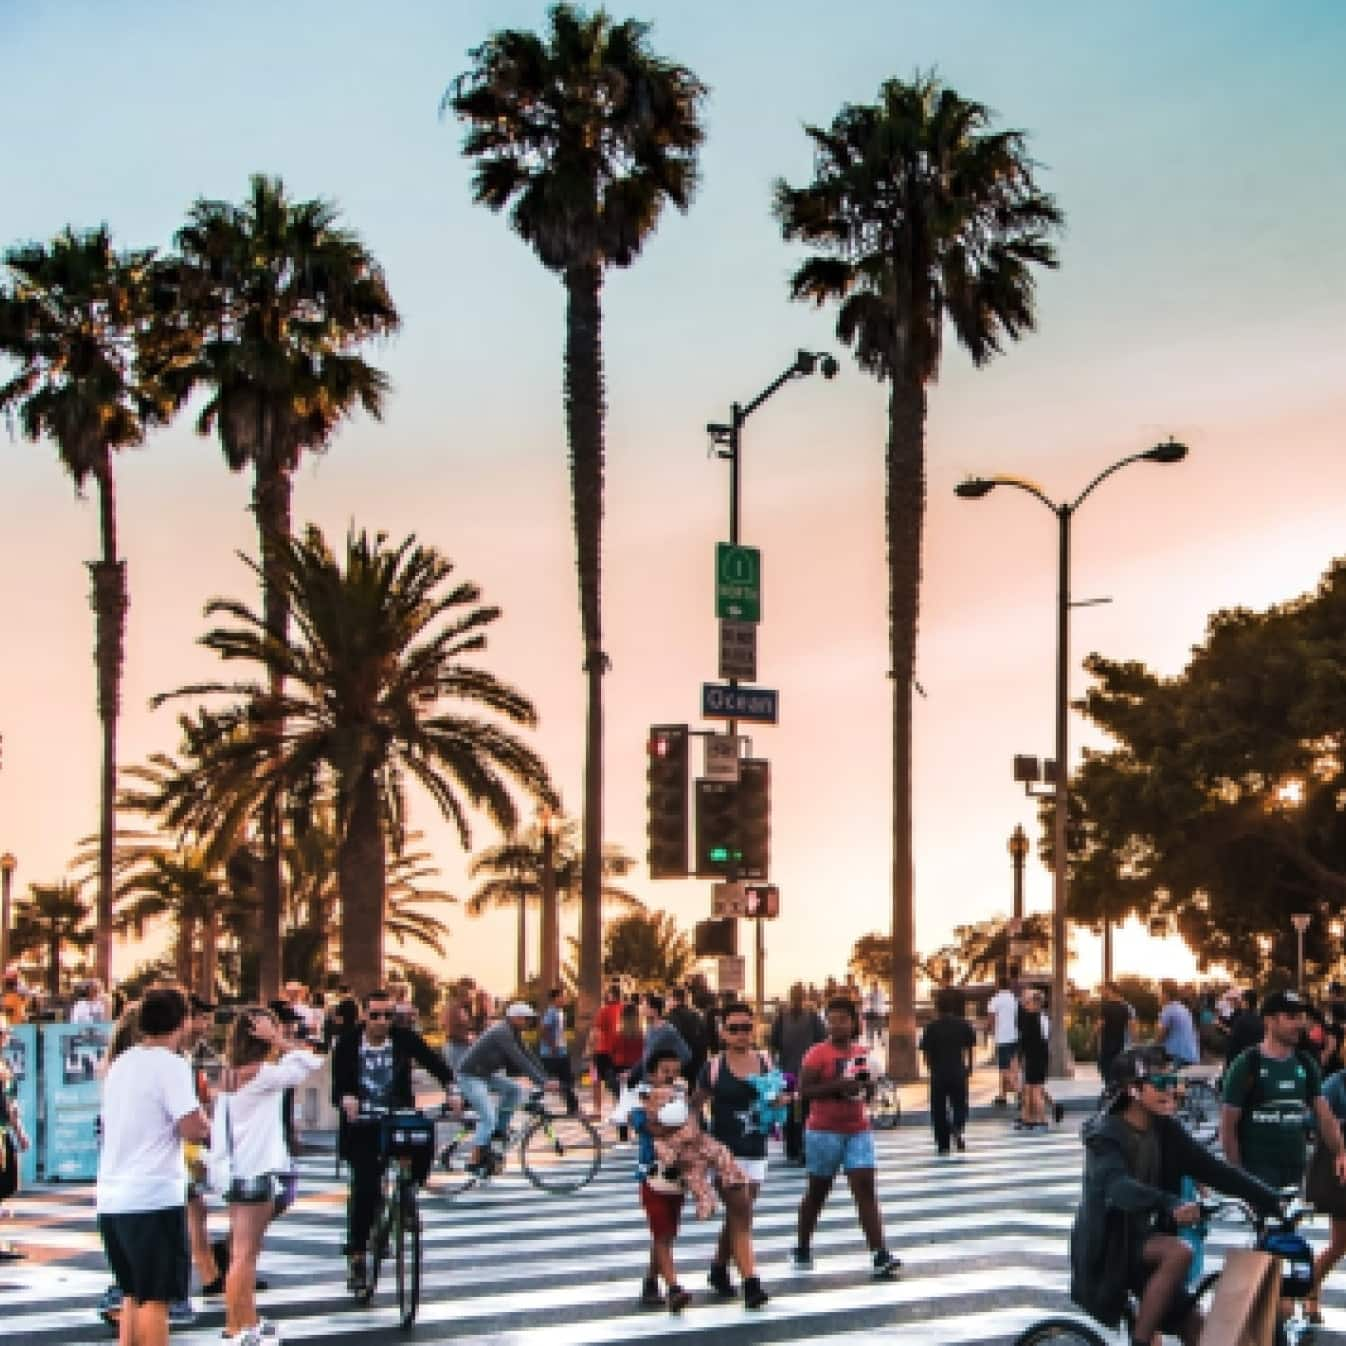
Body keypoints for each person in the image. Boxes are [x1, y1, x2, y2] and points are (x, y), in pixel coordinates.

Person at [1070, 1045, 1283, 1346]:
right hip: (1111, 1245)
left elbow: (1212, 1169)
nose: (1173, 1090)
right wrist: (1170, 1203)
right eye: (1160, 1083)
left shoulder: (1165, 1129)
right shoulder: (1105, 1136)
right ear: (1133, 1090)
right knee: (1179, 1251)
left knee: (1197, 1329)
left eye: (1174, 1081)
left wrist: (1272, 1200)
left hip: (1147, 1238)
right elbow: (1118, 1189)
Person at [95, 985, 211, 1346]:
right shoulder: (171, 1065)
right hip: (153, 1197)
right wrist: (208, 1125)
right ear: (182, 1021)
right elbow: (192, 1128)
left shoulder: (121, 1064)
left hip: (112, 1197)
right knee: (157, 1298)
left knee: (132, 1293)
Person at [210, 1007, 321, 1346]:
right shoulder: (262, 1075)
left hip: (234, 1171)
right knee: (245, 1255)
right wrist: (279, 1040)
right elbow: (311, 1063)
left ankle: (245, 1322)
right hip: (257, 1171)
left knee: (240, 1253)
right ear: (259, 1037)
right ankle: (238, 1328)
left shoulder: (230, 1075)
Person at [331, 986, 453, 1290]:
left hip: (397, 1118)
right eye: (375, 1015)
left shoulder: (404, 1039)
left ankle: (409, 1194)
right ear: (364, 1015)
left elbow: (437, 1065)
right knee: (365, 1188)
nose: (382, 1021)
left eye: (389, 1015)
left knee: (423, 1139)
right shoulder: (347, 1044)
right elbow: (338, 1087)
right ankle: (358, 1256)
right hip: (361, 1125)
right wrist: (347, 1098)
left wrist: (453, 1090)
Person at [792, 996, 901, 1281]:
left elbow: (867, 1090)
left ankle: (879, 1252)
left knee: (865, 1187)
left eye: (843, 1019)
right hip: (823, 1130)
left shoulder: (862, 1052)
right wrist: (838, 1086)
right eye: (832, 1019)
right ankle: (802, 1245)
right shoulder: (817, 1054)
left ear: (854, 1022)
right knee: (818, 1190)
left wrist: (866, 1089)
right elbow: (804, 1091)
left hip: (857, 1128)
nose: (837, 1024)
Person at [1221, 989, 1346, 1194]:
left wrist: (1341, 1153)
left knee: (1289, 1226)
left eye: (1301, 1017)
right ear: (1269, 1021)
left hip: (1295, 1170)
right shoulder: (1247, 1064)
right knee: (1268, 1225)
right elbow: (1227, 1127)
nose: (1299, 1024)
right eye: (1291, 1017)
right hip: (1258, 1172)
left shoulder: (1305, 1063)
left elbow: (1325, 1116)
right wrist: (1238, 1176)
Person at [690, 1001, 770, 1310]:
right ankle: (751, 1282)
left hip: (756, 1150)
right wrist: (696, 1138)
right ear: (723, 1033)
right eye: (733, 1028)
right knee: (741, 1214)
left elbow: (777, 1098)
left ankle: (718, 1268)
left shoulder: (764, 1062)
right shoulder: (713, 1067)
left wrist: (781, 1102)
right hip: (724, 1153)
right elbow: (695, 1104)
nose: (740, 1034)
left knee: (738, 1215)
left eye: (746, 1027)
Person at [630, 1048, 694, 1313]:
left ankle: (650, 1282)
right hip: (652, 1175)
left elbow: (694, 1130)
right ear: (652, 1075)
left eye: (675, 1072)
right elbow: (650, 1127)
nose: (671, 1077)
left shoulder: (682, 1100)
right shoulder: (642, 1101)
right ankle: (674, 1288)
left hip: (677, 1175)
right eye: (665, 1072)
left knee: (666, 1233)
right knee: (663, 1232)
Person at [455, 1001, 550, 1176]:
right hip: (470, 1075)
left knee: (515, 1090)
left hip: (484, 1074)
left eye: (529, 1019)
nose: (528, 1023)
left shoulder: (514, 1032)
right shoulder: (502, 1032)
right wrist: (541, 1082)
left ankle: (499, 1130)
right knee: (488, 1117)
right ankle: (474, 1160)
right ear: (514, 1018)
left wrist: (546, 1078)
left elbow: (528, 1055)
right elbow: (519, 1059)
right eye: (525, 1019)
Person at [770, 983, 826, 1165]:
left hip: (809, 1074)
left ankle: (803, 1148)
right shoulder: (782, 1018)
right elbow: (774, 1043)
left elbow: (822, 1042)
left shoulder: (812, 1017)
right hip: (788, 1074)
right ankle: (792, 1147)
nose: (796, 1000)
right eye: (794, 996)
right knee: (791, 1113)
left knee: (806, 1113)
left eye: (799, 996)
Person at [919, 988, 976, 1155]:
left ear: (937, 1007)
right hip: (958, 1070)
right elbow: (970, 1047)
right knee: (960, 1104)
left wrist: (930, 1067)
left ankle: (943, 1143)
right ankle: (957, 1126)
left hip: (939, 1072)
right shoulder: (963, 1025)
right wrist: (969, 1067)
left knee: (938, 1109)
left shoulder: (931, 1027)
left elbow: (926, 1051)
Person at [0, 1015, 31, 1211]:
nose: (7, 1037)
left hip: (3, 1131)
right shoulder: (3, 1070)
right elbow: (10, 1105)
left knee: (8, 1183)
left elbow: (11, 1105)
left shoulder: (5, 1065)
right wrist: (20, 1133)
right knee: (6, 1182)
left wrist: (19, 1133)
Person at [538, 987, 579, 1114]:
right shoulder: (551, 1012)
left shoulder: (560, 1012)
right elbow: (544, 1029)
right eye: (562, 996)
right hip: (551, 1054)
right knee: (545, 1079)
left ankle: (573, 1107)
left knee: (567, 1079)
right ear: (555, 998)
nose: (564, 999)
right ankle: (535, 1101)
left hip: (561, 1052)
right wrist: (552, 1046)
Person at [589, 982, 625, 1118]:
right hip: (620, 1052)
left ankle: (597, 1111)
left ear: (610, 995)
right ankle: (618, 1110)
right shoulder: (626, 1010)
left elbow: (596, 1033)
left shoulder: (604, 1010)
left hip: (602, 1051)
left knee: (596, 1080)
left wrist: (589, 1051)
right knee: (618, 1082)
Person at [1016, 988, 1050, 1130]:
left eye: (1029, 1002)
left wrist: (1019, 1057)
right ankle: (1027, 1118)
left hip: (1033, 1057)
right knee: (1031, 1088)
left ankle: (1041, 1120)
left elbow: (1024, 1040)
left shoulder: (1031, 1019)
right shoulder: (1042, 1018)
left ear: (1035, 1003)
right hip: (1040, 1057)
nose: (1026, 1004)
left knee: (1034, 1089)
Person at [985, 976, 1020, 1108]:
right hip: (1015, 1037)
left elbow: (991, 1019)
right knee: (1012, 1067)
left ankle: (1019, 1092)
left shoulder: (995, 1000)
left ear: (998, 985)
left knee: (1004, 1068)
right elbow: (1018, 1018)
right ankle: (1002, 1094)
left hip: (1003, 1037)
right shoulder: (1014, 1000)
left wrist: (989, 1031)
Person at [665, 987, 707, 1088]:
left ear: (673, 999)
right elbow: (704, 1040)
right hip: (696, 1063)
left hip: (677, 1064)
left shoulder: (671, 1017)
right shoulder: (697, 1016)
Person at [1096, 983, 1133, 1086]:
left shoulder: (1105, 1007)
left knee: (1105, 1067)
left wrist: (1091, 1037)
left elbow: (1100, 1024)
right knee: (1117, 1067)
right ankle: (1116, 1087)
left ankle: (1109, 1087)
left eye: (1105, 990)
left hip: (1107, 1044)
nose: (1103, 992)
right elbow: (1130, 1026)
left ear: (1110, 990)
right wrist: (1134, 1041)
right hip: (1119, 1044)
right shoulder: (1125, 1007)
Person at [1156, 982, 1200, 1068]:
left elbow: (1160, 1036)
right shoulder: (1182, 1008)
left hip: (1177, 1057)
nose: (1158, 996)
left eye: (1159, 992)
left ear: (1166, 994)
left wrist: (1150, 1044)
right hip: (1191, 1055)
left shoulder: (1168, 1010)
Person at [1222, 988, 1263, 1073]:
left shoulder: (1241, 1021)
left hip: (1242, 1063)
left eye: (1242, 1001)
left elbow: (1233, 1045)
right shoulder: (1261, 1019)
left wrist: (1228, 1065)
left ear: (1246, 1002)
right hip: (1258, 1062)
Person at [862, 979, 887, 1050]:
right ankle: (872, 1043)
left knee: (880, 1028)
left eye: (875, 985)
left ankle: (881, 1040)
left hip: (878, 1012)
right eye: (873, 985)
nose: (874, 987)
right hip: (873, 1012)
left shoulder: (880, 993)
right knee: (871, 1029)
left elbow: (880, 1002)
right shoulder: (870, 994)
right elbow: (866, 1001)